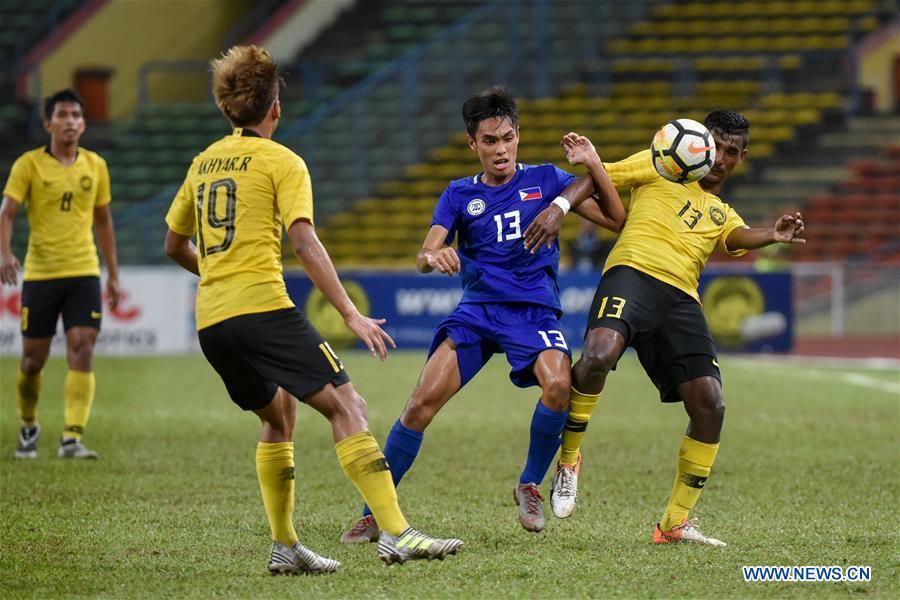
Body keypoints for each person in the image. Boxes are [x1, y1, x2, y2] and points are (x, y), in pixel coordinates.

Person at [162, 45, 462, 575]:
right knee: (351, 408)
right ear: (275, 107)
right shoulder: (283, 161)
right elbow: (304, 242)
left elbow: (173, 243)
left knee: (279, 417)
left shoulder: (203, 162)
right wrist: (349, 312)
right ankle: (397, 534)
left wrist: (216, 277)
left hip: (212, 322)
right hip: (263, 309)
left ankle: (286, 546)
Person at [340, 86, 625, 542]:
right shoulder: (458, 195)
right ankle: (375, 511)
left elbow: (617, 219)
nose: (500, 149)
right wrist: (434, 257)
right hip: (476, 313)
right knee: (419, 404)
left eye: (507, 138)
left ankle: (530, 483)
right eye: (489, 141)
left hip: (533, 314)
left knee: (559, 385)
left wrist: (590, 168)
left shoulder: (549, 181)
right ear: (472, 143)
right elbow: (425, 252)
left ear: (519, 136)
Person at [524, 111, 806, 546]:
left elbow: (737, 236)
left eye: (732, 152)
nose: (719, 158)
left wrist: (774, 233)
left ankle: (674, 523)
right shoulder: (661, 165)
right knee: (598, 355)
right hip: (631, 274)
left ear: (741, 158)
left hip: (680, 299)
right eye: (714, 145)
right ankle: (569, 460)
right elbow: (597, 178)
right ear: (698, 141)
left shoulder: (721, 212)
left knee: (711, 404)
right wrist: (559, 208)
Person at [1, 89, 120, 460]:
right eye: (63, 115)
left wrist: (112, 273)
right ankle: (28, 425)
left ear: (83, 124)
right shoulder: (28, 165)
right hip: (41, 273)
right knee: (32, 360)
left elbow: (103, 220)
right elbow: (7, 212)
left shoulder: (96, 166)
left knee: (83, 346)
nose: (70, 121)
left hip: (83, 270)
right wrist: (4, 253)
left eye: (76, 115)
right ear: (48, 123)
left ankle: (72, 437)